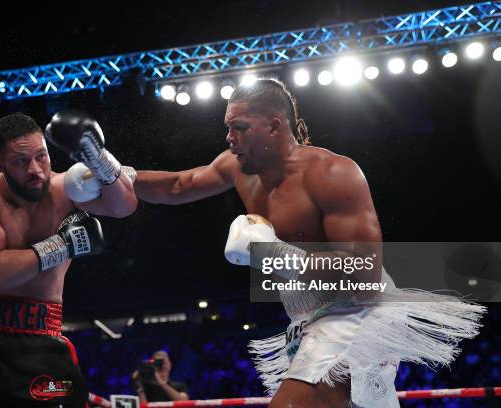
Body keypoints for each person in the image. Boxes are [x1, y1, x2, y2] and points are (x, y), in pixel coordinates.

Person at [125, 79, 485, 407]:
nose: (229, 138)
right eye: (228, 128)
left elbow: (365, 273)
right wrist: (115, 173)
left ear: (274, 126)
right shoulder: (237, 168)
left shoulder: (332, 173)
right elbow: (177, 186)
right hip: (304, 317)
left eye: (239, 128)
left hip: (356, 311)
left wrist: (276, 254)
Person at [0, 111, 137, 406]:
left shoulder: (64, 190)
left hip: (42, 339)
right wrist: (62, 245)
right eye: (21, 161)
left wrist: (97, 158)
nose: (36, 170)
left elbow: (123, 206)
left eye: (41, 156)